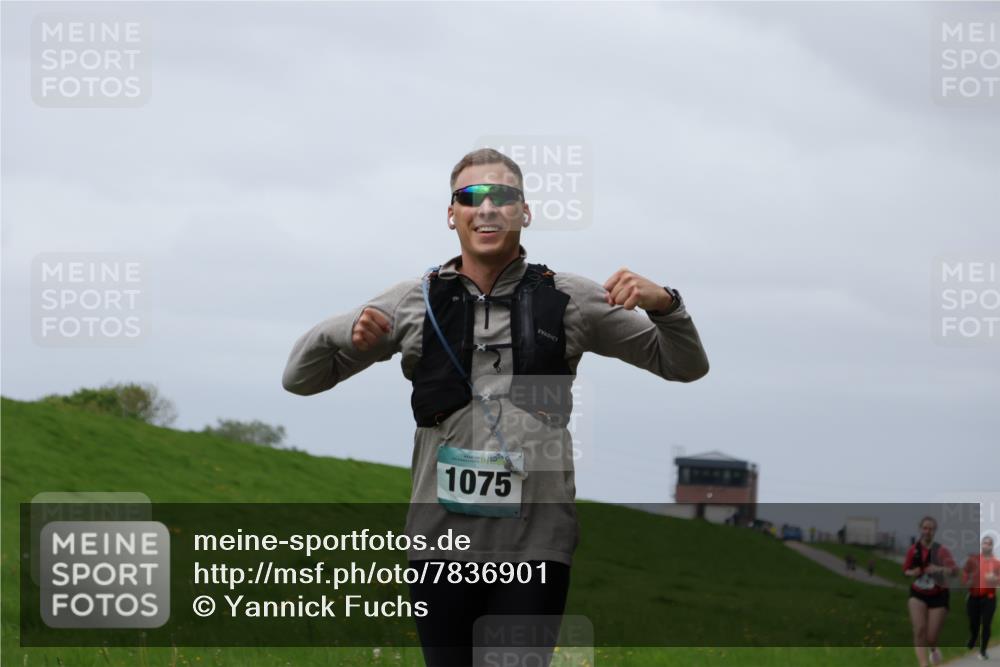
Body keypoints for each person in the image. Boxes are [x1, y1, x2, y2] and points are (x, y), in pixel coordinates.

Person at [282, 148, 709, 666]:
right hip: (438, 549)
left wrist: (667, 305)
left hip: (536, 547)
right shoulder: (413, 302)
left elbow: (684, 365)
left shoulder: (571, 298)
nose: (486, 208)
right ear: (452, 215)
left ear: (524, 212)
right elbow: (299, 379)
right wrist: (341, 332)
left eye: (502, 196)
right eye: (470, 197)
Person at [903, 516, 959, 667]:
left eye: (931, 529)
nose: (927, 531)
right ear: (920, 529)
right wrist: (912, 572)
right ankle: (923, 664)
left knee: (931, 637)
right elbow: (905, 570)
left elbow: (954, 571)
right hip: (918, 593)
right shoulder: (913, 550)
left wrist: (938, 569)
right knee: (919, 630)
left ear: (935, 531)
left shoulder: (941, 551)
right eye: (925, 528)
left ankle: (933, 649)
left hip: (938, 595)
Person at [962, 534, 999, 660]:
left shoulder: (996, 563)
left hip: (989, 598)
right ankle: (973, 637)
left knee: (986, 624)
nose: (986, 545)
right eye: (985, 543)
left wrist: (995, 579)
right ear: (981, 545)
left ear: (992, 546)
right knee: (974, 623)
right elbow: (965, 571)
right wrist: (967, 581)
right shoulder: (973, 559)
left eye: (989, 544)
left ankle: (983, 650)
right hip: (973, 596)